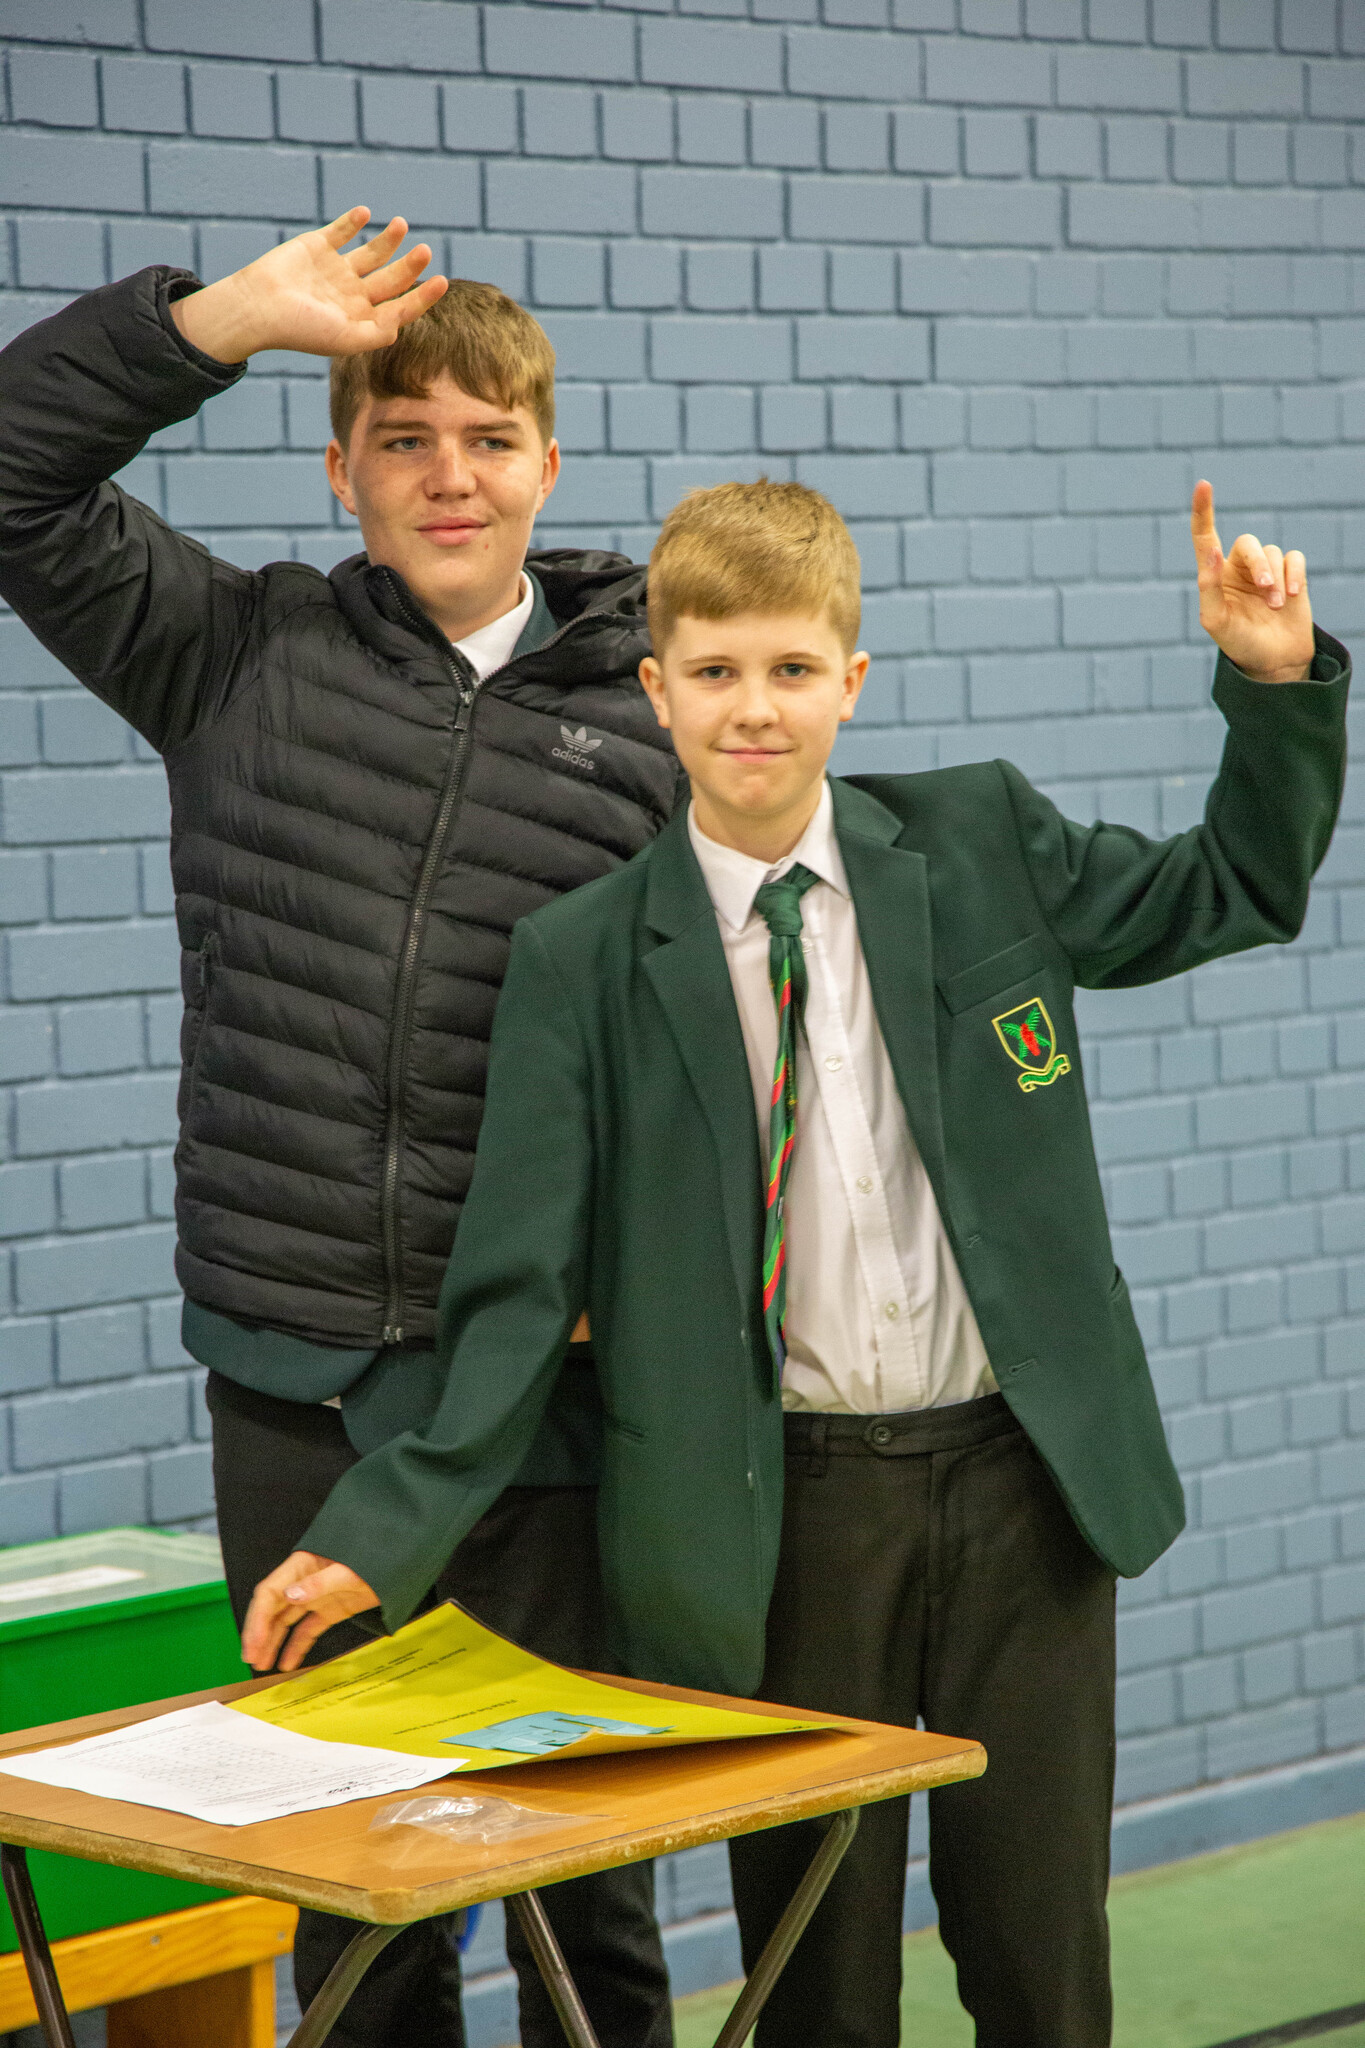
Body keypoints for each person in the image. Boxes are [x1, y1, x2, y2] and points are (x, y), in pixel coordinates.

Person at [245, 473, 1350, 2046]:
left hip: (1021, 1485)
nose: (751, 709)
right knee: (816, 1978)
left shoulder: (974, 837)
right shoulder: (583, 961)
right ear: (657, 689)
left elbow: (1230, 891)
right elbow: (512, 1294)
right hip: (781, 1518)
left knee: (1038, 1950)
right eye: (713, 671)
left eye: (788, 669)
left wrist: (1271, 685)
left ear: (850, 680)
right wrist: (382, 1525)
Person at [0, 209, 678, 2048]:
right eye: (403, 436)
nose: (449, 475)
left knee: (582, 1884)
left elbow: (711, 1063)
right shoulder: (236, 653)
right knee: (350, 1881)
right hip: (291, 1381)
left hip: (539, 1393)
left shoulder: (657, 721)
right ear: (341, 468)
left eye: (488, 438)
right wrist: (218, 321)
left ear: (547, 464)